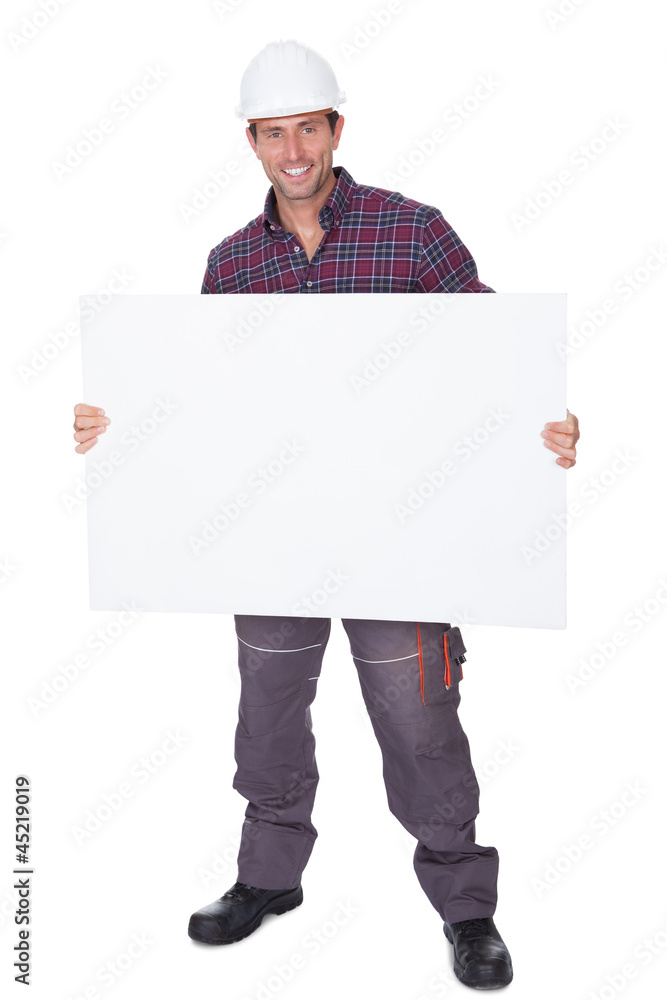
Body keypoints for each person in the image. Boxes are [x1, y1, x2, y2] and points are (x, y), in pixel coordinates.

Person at [72, 40, 580, 991]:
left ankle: (465, 908)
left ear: (336, 129)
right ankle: (268, 881)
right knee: (265, 716)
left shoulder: (411, 232)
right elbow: (202, 402)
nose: (293, 149)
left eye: (309, 127)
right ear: (253, 143)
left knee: (419, 720)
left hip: (404, 539)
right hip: (273, 541)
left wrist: (544, 425)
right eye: (273, 133)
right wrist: (121, 424)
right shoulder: (230, 263)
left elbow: (495, 356)